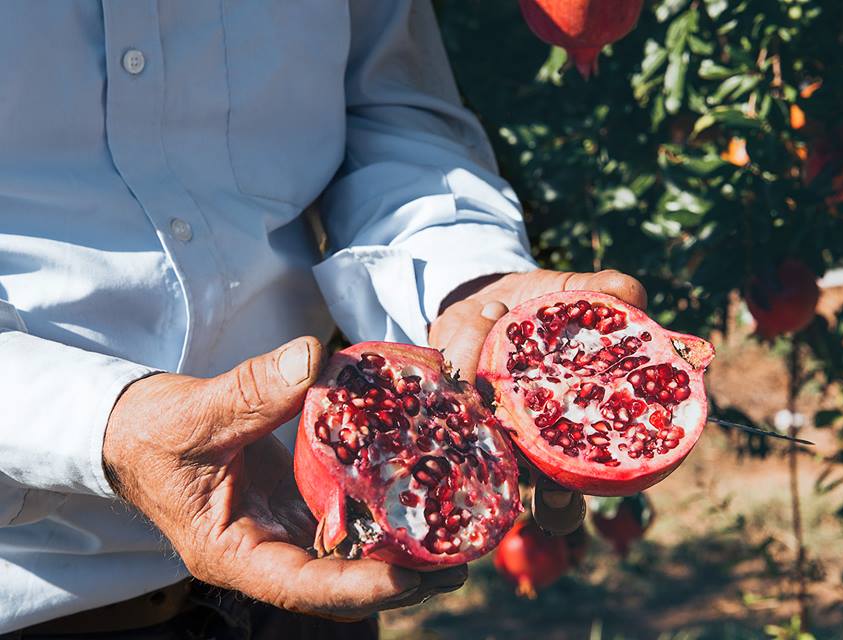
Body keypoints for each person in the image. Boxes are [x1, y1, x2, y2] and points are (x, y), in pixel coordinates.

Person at [0, 1, 646, 637]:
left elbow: (386, 108)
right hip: (40, 597)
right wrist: (104, 427)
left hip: (313, 553)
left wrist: (471, 286)